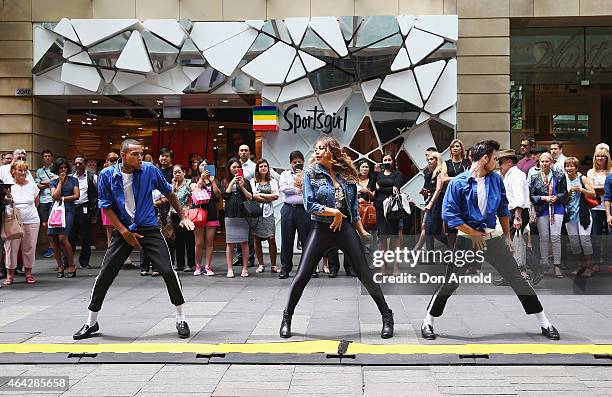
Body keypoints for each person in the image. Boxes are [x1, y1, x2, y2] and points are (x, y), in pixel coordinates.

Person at [421, 140, 560, 341]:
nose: (497, 161)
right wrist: (472, 233)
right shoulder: (459, 182)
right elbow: (449, 215)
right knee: (450, 282)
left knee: (518, 280)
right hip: (467, 240)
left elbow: (503, 208)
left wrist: (507, 237)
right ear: (485, 158)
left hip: (492, 238)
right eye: (495, 158)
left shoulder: (495, 179)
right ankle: (428, 321)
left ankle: (545, 323)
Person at [73, 139, 195, 340]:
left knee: (167, 270)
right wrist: (124, 232)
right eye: (135, 154)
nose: (140, 157)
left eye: (141, 153)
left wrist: (182, 216)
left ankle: (181, 318)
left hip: (148, 227)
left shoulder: (149, 170)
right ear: (123, 156)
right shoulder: (106, 175)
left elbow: (169, 192)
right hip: (123, 230)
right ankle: (91, 321)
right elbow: (106, 206)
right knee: (105, 274)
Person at [279, 136, 394, 339]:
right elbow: (309, 204)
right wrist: (333, 212)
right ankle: (287, 318)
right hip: (321, 228)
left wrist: (363, 232)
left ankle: (387, 316)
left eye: (321, 148)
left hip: (345, 229)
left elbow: (353, 210)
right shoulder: (311, 175)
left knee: (365, 274)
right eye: (316, 148)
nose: (317, 152)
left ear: (331, 151)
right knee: (303, 274)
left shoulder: (346, 175)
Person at [494, 149, 531, 285]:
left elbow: (518, 197)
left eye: (501, 163)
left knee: (509, 245)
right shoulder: (510, 175)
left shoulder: (516, 175)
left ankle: (532, 268)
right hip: (512, 213)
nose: (500, 166)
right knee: (508, 245)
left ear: (509, 162)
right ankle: (510, 275)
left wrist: (517, 216)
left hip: (516, 212)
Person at [528, 152, 567, 278]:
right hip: (542, 210)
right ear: (539, 163)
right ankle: (544, 265)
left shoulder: (559, 176)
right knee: (543, 238)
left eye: (547, 161)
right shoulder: (534, 177)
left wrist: (556, 197)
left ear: (552, 163)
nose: (544, 164)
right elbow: (531, 196)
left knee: (555, 237)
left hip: (557, 209)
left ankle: (557, 266)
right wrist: (544, 198)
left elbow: (564, 193)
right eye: (542, 161)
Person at [3, 161, 40, 285]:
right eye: (20, 170)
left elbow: (36, 202)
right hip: (13, 221)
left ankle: (28, 273)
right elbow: (6, 203)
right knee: (11, 248)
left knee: (29, 246)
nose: (23, 173)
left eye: (25, 170)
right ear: (13, 171)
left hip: (31, 219)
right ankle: (10, 275)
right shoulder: (8, 186)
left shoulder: (32, 186)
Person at [278, 151, 311, 279]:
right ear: (290, 163)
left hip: (304, 210)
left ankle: (309, 268)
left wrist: (301, 184)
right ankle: (285, 268)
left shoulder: (308, 174)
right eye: (294, 162)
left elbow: (310, 188)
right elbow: (284, 188)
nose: (297, 164)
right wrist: (298, 189)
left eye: (299, 161)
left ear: (303, 161)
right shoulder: (285, 174)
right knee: (287, 240)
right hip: (288, 210)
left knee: (306, 240)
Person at [48, 157, 80, 278]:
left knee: (62, 238)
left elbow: (76, 195)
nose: (63, 170)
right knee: (54, 239)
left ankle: (71, 265)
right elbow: (54, 195)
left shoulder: (73, 180)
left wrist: (63, 198)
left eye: (65, 167)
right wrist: (60, 182)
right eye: (61, 168)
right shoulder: (53, 182)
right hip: (55, 211)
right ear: (56, 169)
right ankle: (60, 266)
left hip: (68, 210)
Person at [564, 157, 595, 277]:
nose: (569, 168)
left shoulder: (583, 178)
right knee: (574, 242)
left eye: (572, 166)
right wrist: (569, 193)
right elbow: (563, 199)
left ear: (576, 168)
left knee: (585, 241)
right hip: (570, 216)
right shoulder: (563, 179)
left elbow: (593, 193)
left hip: (583, 215)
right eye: (567, 166)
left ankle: (589, 267)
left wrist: (581, 189)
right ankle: (579, 266)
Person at [373, 153, 404, 274]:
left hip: (393, 208)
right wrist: (375, 174)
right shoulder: (378, 174)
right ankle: (383, 266)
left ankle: (396, 266)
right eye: (384, 160)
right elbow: (373, 188)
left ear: (393, 161)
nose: (387, 161)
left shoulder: (398, 174)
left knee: (394, 236)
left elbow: (396, 188)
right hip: (380, 208)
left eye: (389, 159)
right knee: (382, 237)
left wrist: (381, 187)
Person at [222, 157, 253, 278]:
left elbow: (250, 197)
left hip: (243, 214)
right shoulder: (225, 181)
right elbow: (225, 196)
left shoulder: (246, 181)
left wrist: (242, 186)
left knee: (244, 242)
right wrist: (232, 182)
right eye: (233, 167)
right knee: (229, 243)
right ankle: (230, 269)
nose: (235, 169)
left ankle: (245, 268)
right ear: (229, 168)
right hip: (230, 214)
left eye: (237, 167)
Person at [191, 159, 221, 276]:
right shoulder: (194, 180)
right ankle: (198, 266)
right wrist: (202, 179)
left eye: (206, 165)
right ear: (198, 168)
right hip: (198, 213)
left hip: (212, 213)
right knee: (198, 242)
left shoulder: (215, 180)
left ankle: (208, 266)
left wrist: (212, 182)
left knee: (209, 242)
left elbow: (218, 195)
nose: (204, 167)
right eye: (201, 165)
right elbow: (195, 191)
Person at [68, 154, 97, 270]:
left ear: (85, 164)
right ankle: (67, 261)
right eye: (76, 163)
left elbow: (97, 194)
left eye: (80, 163)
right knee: (70, 236)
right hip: (72, 208)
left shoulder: (92, 177)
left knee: (86, 236)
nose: (78, 165)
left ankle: (84, 261)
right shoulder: (70, 178)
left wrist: (95, 212)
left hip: (85, 208)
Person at [250, 159, 279, 273]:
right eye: (261, 166)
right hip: (256, 213)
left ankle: (273, 265)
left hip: (268, 213)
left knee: (271, 238)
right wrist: (267, 196)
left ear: (268, 168)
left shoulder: (273, 181)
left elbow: (276, 196)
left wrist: (261, 195)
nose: (263, 168)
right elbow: (253, 195)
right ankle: (261, 264)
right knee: (256, 238)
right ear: (257, 168)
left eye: (265, 166)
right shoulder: (253, 181)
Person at [587, 148, 612, 273]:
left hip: (610, 208)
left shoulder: (611, 171)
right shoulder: (591, 172)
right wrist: (607, 188)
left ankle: (609, 262)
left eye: (603, 156)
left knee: (610, 235)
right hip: (595, 207)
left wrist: (599, 189)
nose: (600, 158)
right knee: (595, 236)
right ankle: (596, 262)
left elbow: (595, 189)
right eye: (598, 156)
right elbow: (590, 189)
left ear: (607, 158)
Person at [442, 140, 470, 250]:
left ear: (461, 149)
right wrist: (459, 179)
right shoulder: (446, 163)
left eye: (457, 146)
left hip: (464, 199)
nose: (455, 148)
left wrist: (452, 180)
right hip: (450, 198)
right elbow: (443, 179)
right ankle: (451, 252)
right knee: (451, 229)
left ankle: (462, 253)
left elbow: (469, 178)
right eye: (453, 146)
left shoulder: (466, 163)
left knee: (463, 226)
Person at [170, 165, 196, 273]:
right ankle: (180, 263)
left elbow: (195, 194)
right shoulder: (172, 185)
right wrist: (173, 185)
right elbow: (169, 197)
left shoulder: (190, 183)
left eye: (179, 172)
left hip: (186, 214)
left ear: (184, 173)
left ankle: (191, 264)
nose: (177, 174)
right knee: (178, 240)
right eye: (175, 172)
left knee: (189, 239)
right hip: (175, 214)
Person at [423, 151, 447, 252]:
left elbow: (439, 189)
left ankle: (454, 245)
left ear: (437, 160)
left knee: (435, 230)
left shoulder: (440, 172)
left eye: (431, 159)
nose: (429, 161)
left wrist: (430, 203)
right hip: (432, 202)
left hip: (438, 203)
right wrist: (426, 193)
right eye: (428, 160)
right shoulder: (430, 174)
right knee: (428, 229)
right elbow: (431, 190)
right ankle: (430, 256)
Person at [35, 149, 56, 258]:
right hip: (43, 200)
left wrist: (46, 183)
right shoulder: (39, 171)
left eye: (49, 156)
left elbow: (58, 181)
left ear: (52, 157)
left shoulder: (56, 169)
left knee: (55, 223)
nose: (47, 158)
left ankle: (56, 246)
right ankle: (51, 247)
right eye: (45, 156)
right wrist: (50, 182)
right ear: (42, 158)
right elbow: (37, 185)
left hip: (54, 199)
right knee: (44, 224)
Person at [101, 153, 119, 248]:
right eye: (111, 160)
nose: (114, 162)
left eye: (116, 160)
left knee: (121, 230)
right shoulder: (103, 173)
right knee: (110, 232)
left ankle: (126, 257)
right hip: (108, 204)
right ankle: (110, 256)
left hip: (119, 205)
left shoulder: (122, 171)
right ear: (107, 161)